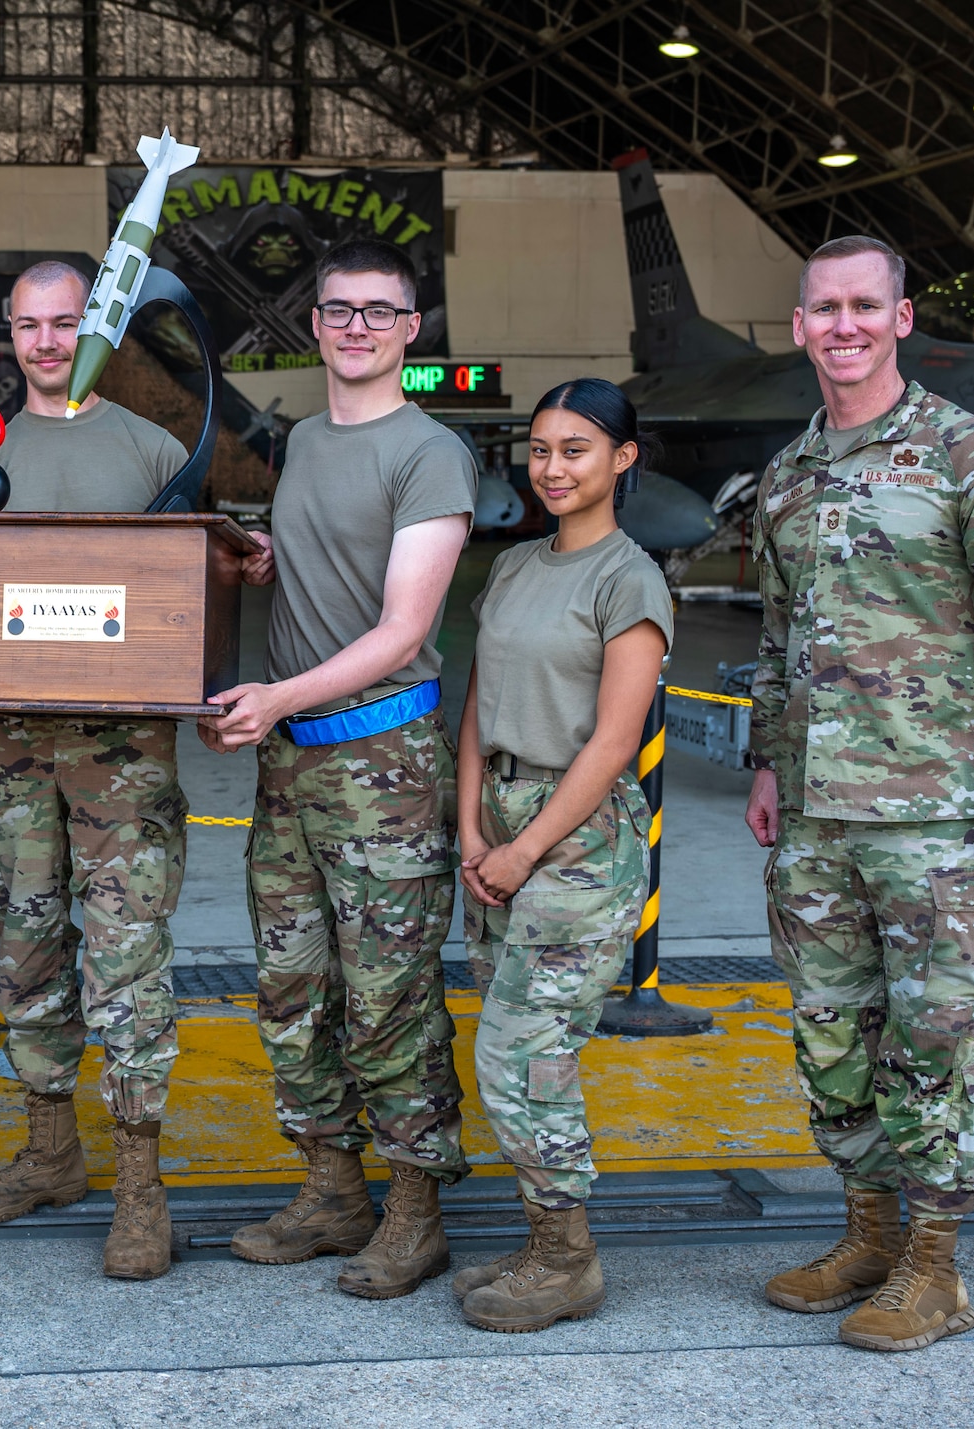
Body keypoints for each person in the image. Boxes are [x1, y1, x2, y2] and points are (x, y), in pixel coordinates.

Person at [746, 236, 974, 1353]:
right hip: (812, 813)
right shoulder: (784, 475)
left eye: (862, 305)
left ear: (899, 319)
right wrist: (763, 757)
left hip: (936, 812)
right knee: (830, 1032)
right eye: (820, 308)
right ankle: (865, 1232)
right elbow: (773, 634)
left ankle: (934, 1267)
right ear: (797, 326)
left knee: (933, 1037)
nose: (840, 325)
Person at [206, 236, 475, 1300]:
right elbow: (328, 569)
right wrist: (267, 555)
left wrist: (272, 696)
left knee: (389, 995)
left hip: (380, 760)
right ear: (310, 325)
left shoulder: (429, 452)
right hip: (294, 768)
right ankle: (332, 1189)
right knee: (293, 987)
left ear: (411, 331)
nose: (354, 325)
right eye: (335, 309)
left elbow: (401, 628)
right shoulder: (306, 440)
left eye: (378, 310)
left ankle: (414, 1211)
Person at [0, 262, 190, 1280]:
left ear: (97, 329)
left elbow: (186, 589)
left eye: (65, 322)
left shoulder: (152, 448)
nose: (45, 341)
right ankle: (50, 1152)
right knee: (26, 951)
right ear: (9, 332)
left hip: (122, 765)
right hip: (16, 755)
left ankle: (138, 1185)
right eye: (28, 325)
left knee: (125, 962)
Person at [449, 378, 671, 1333]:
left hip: (575, 834)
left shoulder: (630, 579)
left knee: (520, 1047)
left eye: (576, 449)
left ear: (622, 459)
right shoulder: (515, 567)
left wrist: (527, 847)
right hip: (497, 817)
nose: (553, 468)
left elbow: (616, 740)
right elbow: (476, 702)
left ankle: (567, 1256)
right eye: (540, 449)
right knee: (515, 1041)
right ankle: (545, 1232)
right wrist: (470, 826)